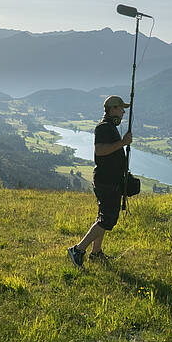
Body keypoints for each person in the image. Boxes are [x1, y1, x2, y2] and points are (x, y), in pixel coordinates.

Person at [68, 95, 132, 267]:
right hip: (107, 181)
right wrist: (123, 143)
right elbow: (100, 150)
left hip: (110, 180)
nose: (124, 112)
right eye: (120, 108)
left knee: (103, 216)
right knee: (107, 219)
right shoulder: (104, 127)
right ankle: (78, 249)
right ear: (112, 109)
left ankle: (96, 252)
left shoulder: (109, 126)